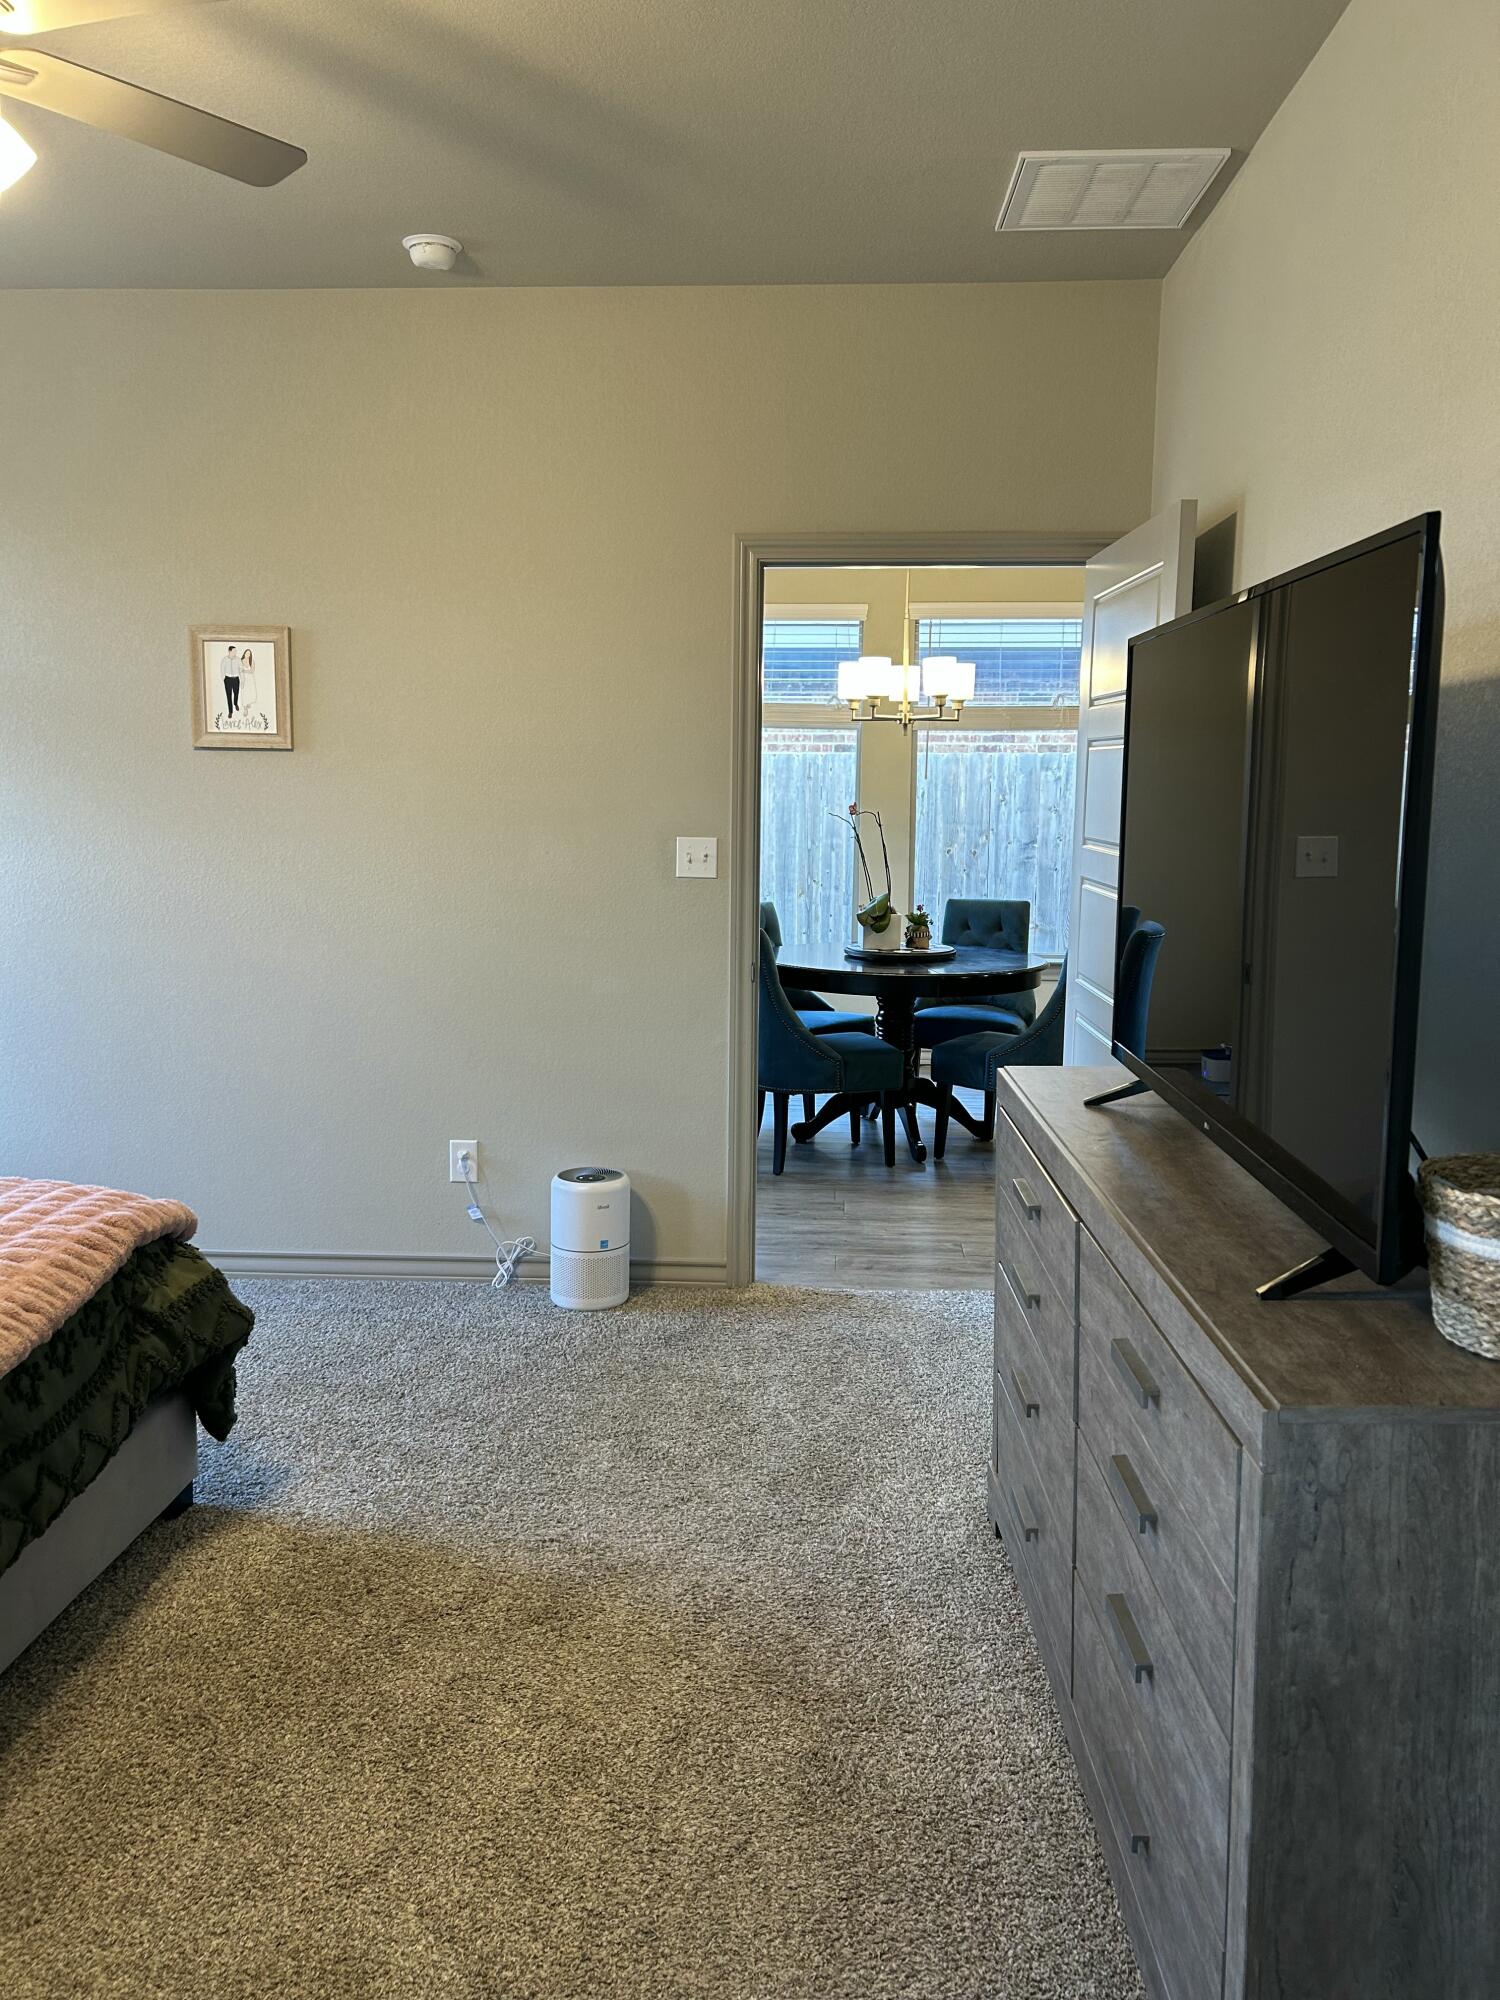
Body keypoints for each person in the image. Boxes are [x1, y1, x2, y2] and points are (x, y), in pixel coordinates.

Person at [238, 647, 257, 721]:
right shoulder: (241, 661)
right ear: (244, 653)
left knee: (250, 691)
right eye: (246, 653)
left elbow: (252, 670)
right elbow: (239, 670)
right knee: (244, 692)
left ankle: (248, 703)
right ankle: (245, 708)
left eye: (249, 654)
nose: (247, 655)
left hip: (250, 679)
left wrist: (245, 671)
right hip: (244, 679)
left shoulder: (252, 661)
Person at [221, 645, 240, 719]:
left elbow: (241, 668)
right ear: (229, 651)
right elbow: (222, 669)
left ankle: (235, 703)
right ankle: (230, 711)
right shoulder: (224, 659)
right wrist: (224, 678)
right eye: (234, 651)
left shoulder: (238, 659)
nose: (235, 652)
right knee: (229, 696)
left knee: (236, 693)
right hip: (228, 679)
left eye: (236, 651)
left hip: (236, 679)